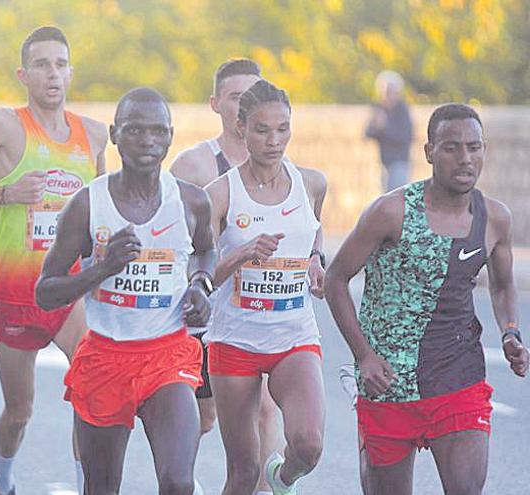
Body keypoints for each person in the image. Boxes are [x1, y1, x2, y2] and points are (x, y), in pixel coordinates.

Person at [325, 103, 529, 495]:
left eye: (474, 147)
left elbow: (502, 285)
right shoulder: (391, 211)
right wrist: (363, 355)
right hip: (389, 381)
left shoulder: (495, 219)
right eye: (452, 147)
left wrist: (511, 332)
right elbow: (336, 279)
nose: (465, 158)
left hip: (458, 375)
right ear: (429, 152)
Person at [0, 26, 107, 495]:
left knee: (90, 390)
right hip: (17, 292)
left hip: (69, 291)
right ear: (23, 74)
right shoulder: (3, 125)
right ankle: (4, 475)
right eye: (41, 64)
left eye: (60, 64)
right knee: (20, 411)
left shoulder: (94, 135)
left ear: (71, 71)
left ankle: (85, 485)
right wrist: (6, 193)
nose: (52, 74)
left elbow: (104, 213)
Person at [36, 87, 215, 495]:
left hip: (167, 355)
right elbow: (45, 291)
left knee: (178, 482)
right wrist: (103, 268)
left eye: (157, 131)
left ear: (171, 136)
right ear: (115, 135)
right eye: (135, 130)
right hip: (104, 358)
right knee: (101, 489)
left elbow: (206, 249)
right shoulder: (87, 205)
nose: (147, 141)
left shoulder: (191, 201)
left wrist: (201, 285)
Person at [204, 80, 327, 495]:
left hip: (294, 335)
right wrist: (242, 254)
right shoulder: (219, 194)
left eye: (283, 129)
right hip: (234, 339)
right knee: (242, 472)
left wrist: (316, 262)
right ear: (241, 128)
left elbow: (313, 232)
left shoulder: (311, 183)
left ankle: (283, 477)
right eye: (261, 130)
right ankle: (261, 476)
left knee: (308, 445)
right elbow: (200, 278)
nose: (274, 141)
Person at [170, 58, 284, 495]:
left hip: (261, 314)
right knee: (201, 418)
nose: (247, 105)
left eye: (255, 95)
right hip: (206, 315)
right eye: (238, 97)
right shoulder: (195, 166)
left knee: (266, 412)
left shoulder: (281, 166)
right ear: (216, 104)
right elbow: (171, 239)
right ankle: (182, 482)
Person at [365, 70, 413, 192]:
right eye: (385, 92)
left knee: (397, 198)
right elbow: (368, 133)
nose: (387, 95)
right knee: (384, 199)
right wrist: (375, 126)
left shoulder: (402, 110)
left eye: (390, 91)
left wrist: (384, 127)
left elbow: (405, 137)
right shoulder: (379, 108)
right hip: (383, 163)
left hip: (399, 162)